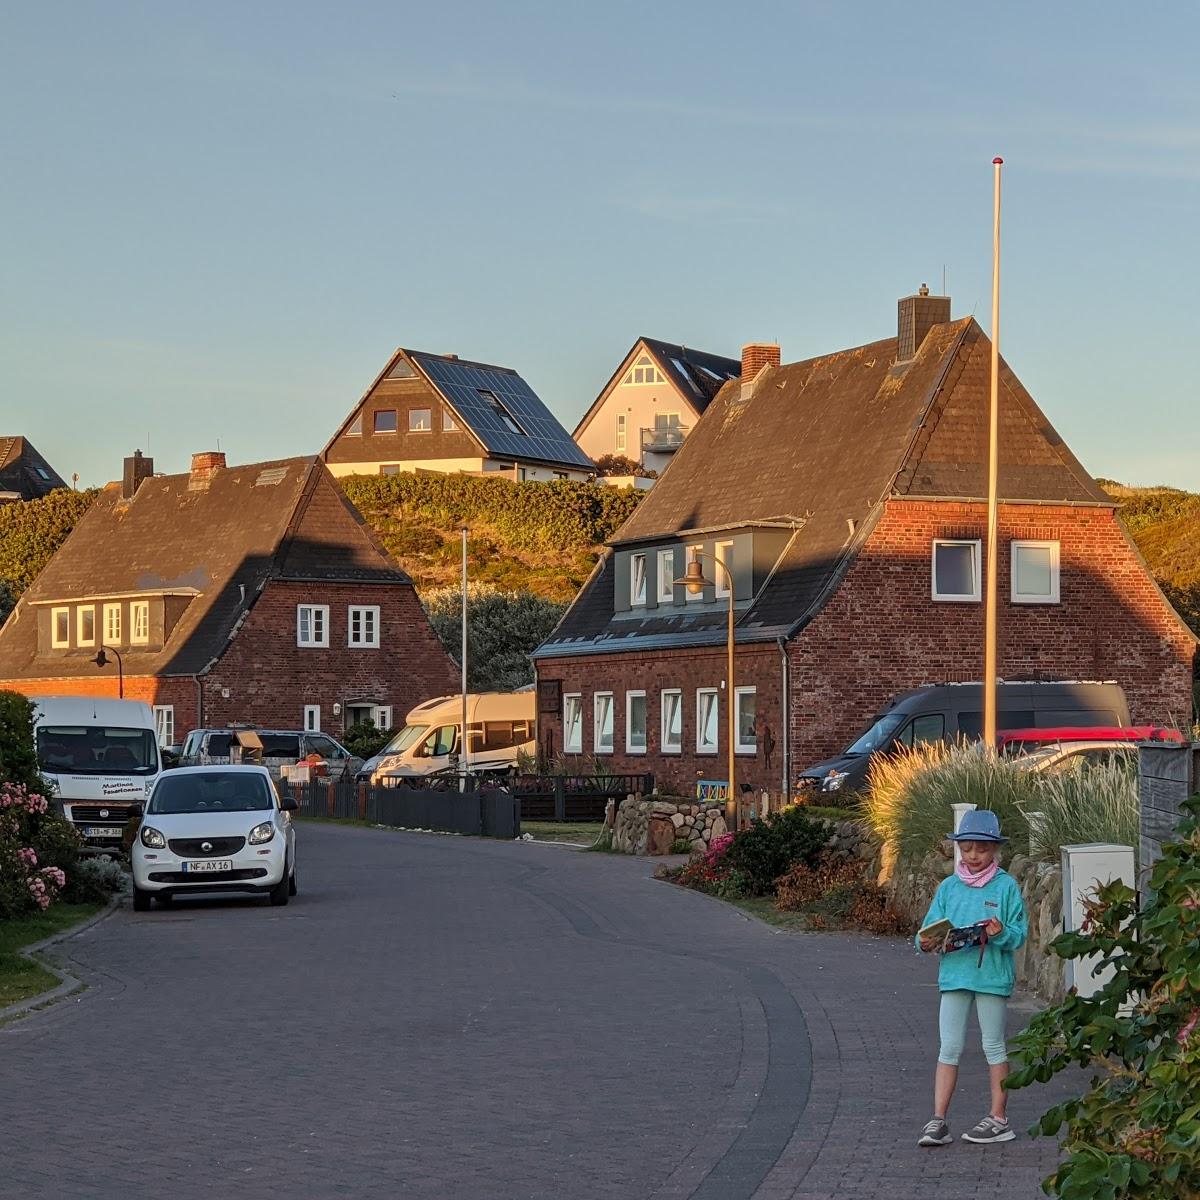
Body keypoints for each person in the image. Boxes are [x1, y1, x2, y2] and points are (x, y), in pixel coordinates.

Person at [915, 808, 1028, 1148]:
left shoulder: (1007, 886)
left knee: (993, 1045)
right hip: (954, 976)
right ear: (958, 848)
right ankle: (938, 1121)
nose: (973, 855)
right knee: (948, 1047)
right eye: (967, 848)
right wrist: (924, 941)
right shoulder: (948, 887)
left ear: (995, 849)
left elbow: (1019, 935)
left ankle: (998, 1118)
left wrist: (1000, 933)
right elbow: (928, 930)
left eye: (981, 848)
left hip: (991, 977)